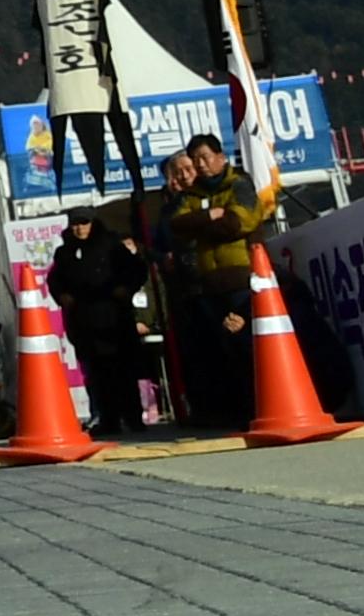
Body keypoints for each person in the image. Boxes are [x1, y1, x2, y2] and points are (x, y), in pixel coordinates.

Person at [162, 134, 268, 433]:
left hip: (241, 278)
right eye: (196, 160)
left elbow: (240, 222)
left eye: (205, 158)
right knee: (222, 352)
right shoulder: (190, 195)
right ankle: (235, 410)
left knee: (248, 345)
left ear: (221, 157)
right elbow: (177, 225)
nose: (201, 165)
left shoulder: (239, 185)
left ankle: (259, 404)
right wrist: (209, 215)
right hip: (209, 285)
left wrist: (201, 226)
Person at [44, 210, 147, 435]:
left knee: (123, 371)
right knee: (97, 374)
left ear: (93, 224)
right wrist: (62, 295)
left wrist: (126, 289)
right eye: (75, 225)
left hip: (114, 318)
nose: (80, 229)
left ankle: (133, 418)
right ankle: (108, 419)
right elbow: (54, 280)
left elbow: (137, 269)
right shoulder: (65, 252)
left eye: (84, 223)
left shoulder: (111, 245)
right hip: (83, 320)